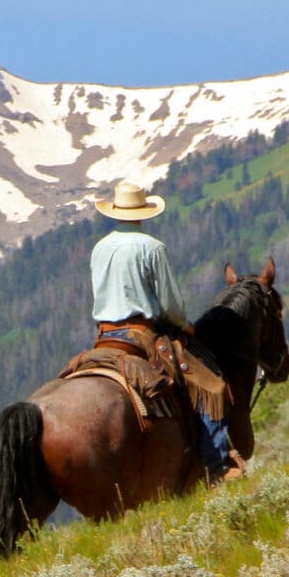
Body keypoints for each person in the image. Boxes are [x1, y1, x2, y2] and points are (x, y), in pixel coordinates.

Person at [90, 182, 245, 482]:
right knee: (211, 384)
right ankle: (217, 467)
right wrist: (182, 323)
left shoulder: (100, 248)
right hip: (142, 334)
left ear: (116, 213)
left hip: (105, 336)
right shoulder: (152, 247)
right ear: (142, 213)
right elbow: (171, 305)